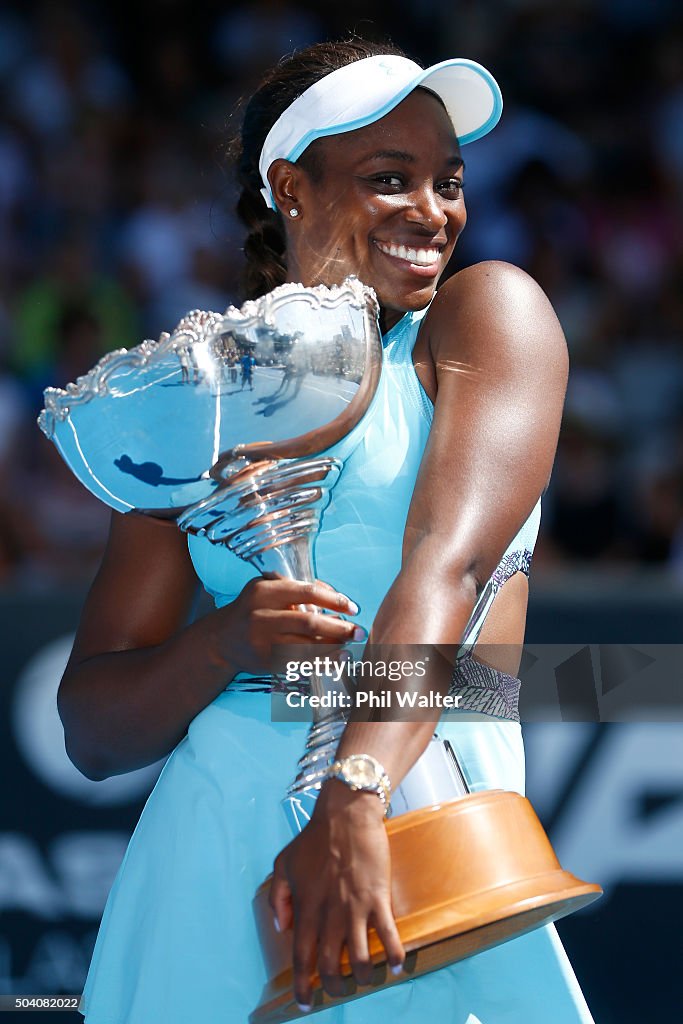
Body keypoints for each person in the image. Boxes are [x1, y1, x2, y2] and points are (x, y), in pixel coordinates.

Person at [60, 38, 594, 1023]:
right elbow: (92, 728)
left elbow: (450, 562)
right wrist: (228, 639)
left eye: (447, 180)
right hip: (215, 843)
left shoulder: (485, 314)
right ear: (290, 189)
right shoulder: (202, 396)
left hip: (422, 816)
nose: (431, 211)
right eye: (388, 179)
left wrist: (352, 797)